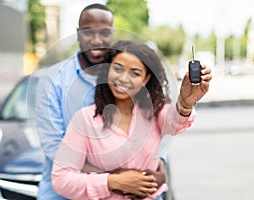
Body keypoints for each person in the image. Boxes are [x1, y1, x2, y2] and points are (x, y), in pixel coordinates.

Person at [35, 4, 167, 200]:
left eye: (104, 33)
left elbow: (152, 129)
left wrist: (160, 170)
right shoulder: (52, 79)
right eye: (88, 32)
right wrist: (114, 180)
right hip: (63, 194)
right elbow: (53, 146)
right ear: (78, 34)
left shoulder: (126, 78)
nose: (96, 40)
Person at [52, 40, 212, 199]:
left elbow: (175, 121)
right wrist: (111, 181)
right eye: (117, 69)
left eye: (135, 73)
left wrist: (185, 103)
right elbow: (61, 179)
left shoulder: (154, 112)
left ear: (146, 78)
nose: (123, 78)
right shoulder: (85, 119)